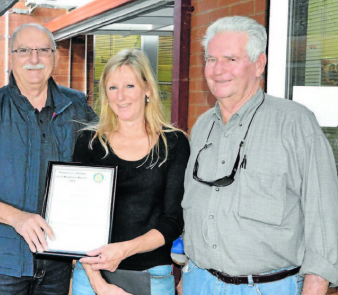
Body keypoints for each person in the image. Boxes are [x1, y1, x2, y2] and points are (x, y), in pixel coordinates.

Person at [181, 16, 338, 295]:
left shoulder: (294, 123)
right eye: (211, 59)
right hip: (199, 282)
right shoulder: (202, 125)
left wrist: (316, 284)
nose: (218, 70)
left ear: (259, 64)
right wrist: (188, 271)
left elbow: (324, 213)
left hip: (267, 288)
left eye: (231, 59)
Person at [0, 23, 97, 295]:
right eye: (24, 51)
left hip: (57, 259)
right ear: (11, 56)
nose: (34, 59)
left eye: (43, 50)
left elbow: (104, 167)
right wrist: (18, 218)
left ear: (55, 56)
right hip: (1, 262)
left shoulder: (77, 107)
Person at [71, 49, 189, 295]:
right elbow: (77, 221)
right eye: (112, 88)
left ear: (147, 89)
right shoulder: (89, 142)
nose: (120, 96)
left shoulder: (173, 143)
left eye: (129, 85)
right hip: (92, 276)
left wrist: (123, 250)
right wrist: (99, 285)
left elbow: (173, 221)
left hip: (152, 276)